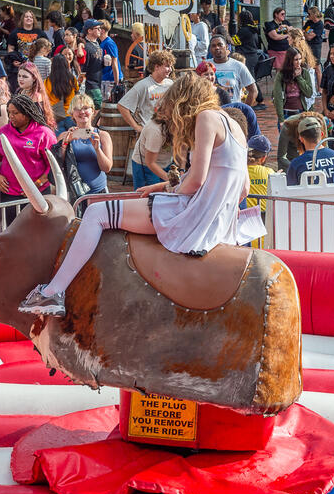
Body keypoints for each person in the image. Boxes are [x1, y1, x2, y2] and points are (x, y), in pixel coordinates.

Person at [19, 73, 264, 316]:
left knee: (96, 213)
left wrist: (172, 193)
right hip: (221, 221)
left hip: (194, 215)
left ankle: (53, 292)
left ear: (184, 100)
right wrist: (161, 187)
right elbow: (243, 188)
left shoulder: (206, 117)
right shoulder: (234, 125)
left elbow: (197, 180)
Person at [0, 94, 58, 227]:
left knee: (38, 231)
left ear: (27, 114)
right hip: (10, 193)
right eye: (9, 112)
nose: (10, 116)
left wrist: (36, 185)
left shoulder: (44, 133)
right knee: (13, 230)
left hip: (38, 195)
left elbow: (53, 165)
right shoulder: (3, 132)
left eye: (15, 113)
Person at [57, 93, 112, 195]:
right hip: (74, 192)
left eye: (85, 108)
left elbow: (107, 168)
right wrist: (65, 144)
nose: (82, 112)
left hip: (98, 191)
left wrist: (97, 149)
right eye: (77, 109)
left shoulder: (103, 135)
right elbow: (57, 165)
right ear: (72, 113)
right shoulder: (64, 136)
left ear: (92, 111)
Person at [118, 49, 174, 133]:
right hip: (149, 133)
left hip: (166, 132)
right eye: (167, 66)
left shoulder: (170, 84)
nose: (170, 70)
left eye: (170, 66)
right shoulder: (143, 85)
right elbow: (122, 106)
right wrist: (136, 127)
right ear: (156, 67)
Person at [207, 35, 256, 106]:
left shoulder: (238, 66)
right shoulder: (205, 65)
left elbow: (253, 91)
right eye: (213, 46)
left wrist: (244, 110)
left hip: (232, 112)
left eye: (220, 45)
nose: (217, 48)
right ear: (210, 49)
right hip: (211, 111)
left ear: (226, 47)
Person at [275, 48, 315, 124]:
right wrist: (281, 119)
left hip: (301, 113)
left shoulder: (304, 72)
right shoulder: (281, 74)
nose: (298, 62)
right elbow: (278, 97)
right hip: (286, 113)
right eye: (296, 60)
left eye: (300, 59)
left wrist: (299, 77)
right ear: (290, 61)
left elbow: (309, 93)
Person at [13, 60, 56, 129]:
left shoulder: (36, 96)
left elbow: (37, 121)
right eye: (19, 76)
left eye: (25, 76)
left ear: (34, 78)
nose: (20, 79)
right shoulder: (19, 91)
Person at [45, 52, 80, 127]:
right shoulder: (72, 79)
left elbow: (45, 97)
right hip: (71, 115)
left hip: (56, 115)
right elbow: (77, 91)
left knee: (60, 138)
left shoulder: (48, 81)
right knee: (73, 137)